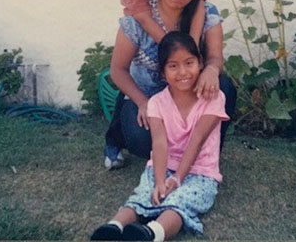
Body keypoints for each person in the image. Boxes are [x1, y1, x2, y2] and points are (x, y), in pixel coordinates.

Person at [104, 0, 236, 169]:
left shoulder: (207, 13)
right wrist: (144, 103)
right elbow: (118, 70)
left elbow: (215, 57)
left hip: (188, 99)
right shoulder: (138, 18)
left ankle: (203, 157)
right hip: (149, 97)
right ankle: (125, 140)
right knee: (143, 140)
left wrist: (212, 70)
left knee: (224, 87)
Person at [91, 32, 228, 241]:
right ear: (163, 73)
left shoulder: (213, 97)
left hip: (201, 171)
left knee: (179, 203)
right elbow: (160, 143)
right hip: (162, 167)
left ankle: (151, 233)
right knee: (142, 197)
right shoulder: (156, 103)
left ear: (200, 63)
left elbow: (197, 139)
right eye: (173, 66)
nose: (183, 72)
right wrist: (160, 180)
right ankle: (113, 227)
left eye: (189, 63)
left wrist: (178, 178)